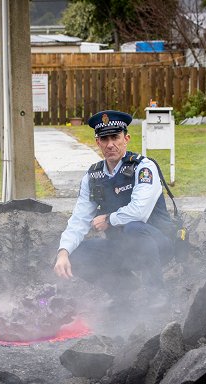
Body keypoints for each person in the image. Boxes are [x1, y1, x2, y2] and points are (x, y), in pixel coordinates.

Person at [54, 110, 175, 296]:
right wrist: (63, 252)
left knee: (133, 227)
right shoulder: (93, 177)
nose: (110, 144)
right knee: (76, 253)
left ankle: (156, 295)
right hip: (123, 249)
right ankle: (124, 292)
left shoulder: (143, 167)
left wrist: (109, 219)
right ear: (97, 142)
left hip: (158, 245)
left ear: (126, 138)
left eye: (115, 137)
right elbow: (79, 219)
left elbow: (139, 212)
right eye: (104, 139)